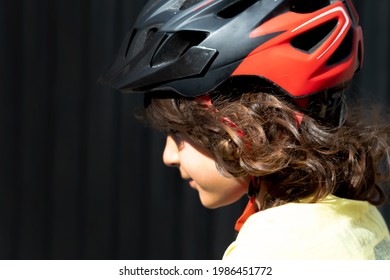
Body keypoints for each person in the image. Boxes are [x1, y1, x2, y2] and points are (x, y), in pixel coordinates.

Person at [100, 0, 390, 259]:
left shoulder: (272, 251)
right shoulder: (361, 218)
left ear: (244, 123)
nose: (168, 156)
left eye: (177, 132)